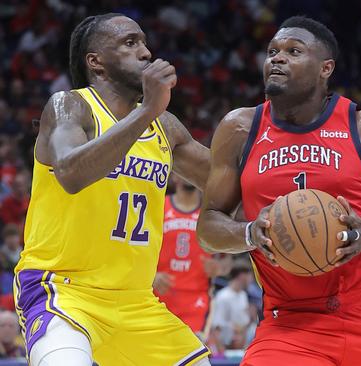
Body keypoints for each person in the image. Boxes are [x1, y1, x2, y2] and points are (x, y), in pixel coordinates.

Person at [197, 16, 361, 366]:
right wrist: (251, 232)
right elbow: (208, 227)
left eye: (293, 51)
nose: (277, 59)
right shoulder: (239, 129)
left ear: (326, 68)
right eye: (272, 51)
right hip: (291, 323)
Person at [14, 13, 212, 366]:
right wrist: (148, 111)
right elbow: (72, 173)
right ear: (96, 62)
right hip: (62, 290)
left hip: (136, 302)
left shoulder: (164, 126)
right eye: (130, 42)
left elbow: (227, 182)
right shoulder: (71, 106)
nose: (147, 52)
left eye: (145, 42)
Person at [155, 174, 228, 339]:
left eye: (191, 169)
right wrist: (151, 275)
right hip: (158, 298)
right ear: (174, 176)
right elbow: (140, 248)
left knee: (192, 359)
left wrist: (220, 269)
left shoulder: (210, 212)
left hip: (197, 303)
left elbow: (227, 261)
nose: (188, 174)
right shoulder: (159, 205)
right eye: (183, 169)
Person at [208, 263, 254, 353]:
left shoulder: (243, 295)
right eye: (249, 276)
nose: (251, 280)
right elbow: (216, 329)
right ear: (242, 276)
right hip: (226, 349)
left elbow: (243, 325)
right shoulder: (223, 297)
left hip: (240, 349)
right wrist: (222, 356)